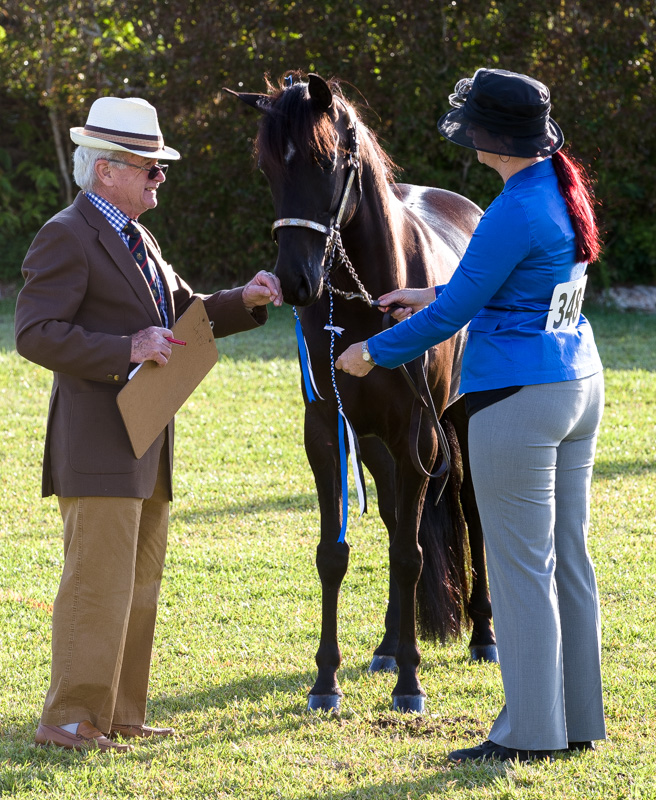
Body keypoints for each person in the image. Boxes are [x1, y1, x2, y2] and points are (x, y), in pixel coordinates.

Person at [336, 68, 606, 763]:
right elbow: (503, 284)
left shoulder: (514, 204)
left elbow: (460, 313)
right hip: (578, 383)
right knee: (567, 562)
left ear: (494, 136)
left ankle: (530, 734)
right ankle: (577, 720)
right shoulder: (555, 189)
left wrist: (371, 350)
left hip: (521, 400)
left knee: (519, 571)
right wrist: (426, 292)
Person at [15, 96, 282, 753]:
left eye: (161, 168)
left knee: (137, 586)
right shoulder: (67, 234)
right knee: (95, 588)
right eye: (150, 168)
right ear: (107, 171)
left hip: (145, 440)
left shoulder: (139, 236)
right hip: (98, 445)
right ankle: (70, 720)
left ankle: (120, 715)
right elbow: (33, 333)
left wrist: (241, 302)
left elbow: (185, 310)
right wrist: (126, 350)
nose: (161, 178)